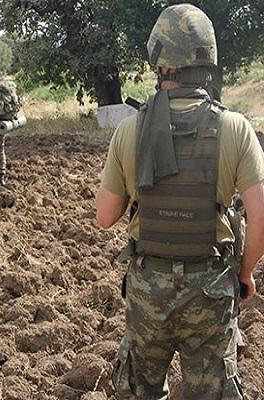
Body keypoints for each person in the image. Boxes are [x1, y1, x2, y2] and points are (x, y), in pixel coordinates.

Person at [94, 4, 264, 399]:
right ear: (208, 59)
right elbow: (260, 217)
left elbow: (105, 216)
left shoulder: (129, 130)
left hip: (147, 294)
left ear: (160, 62)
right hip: (211, 292)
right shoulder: (235, 128)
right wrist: (245, 274)